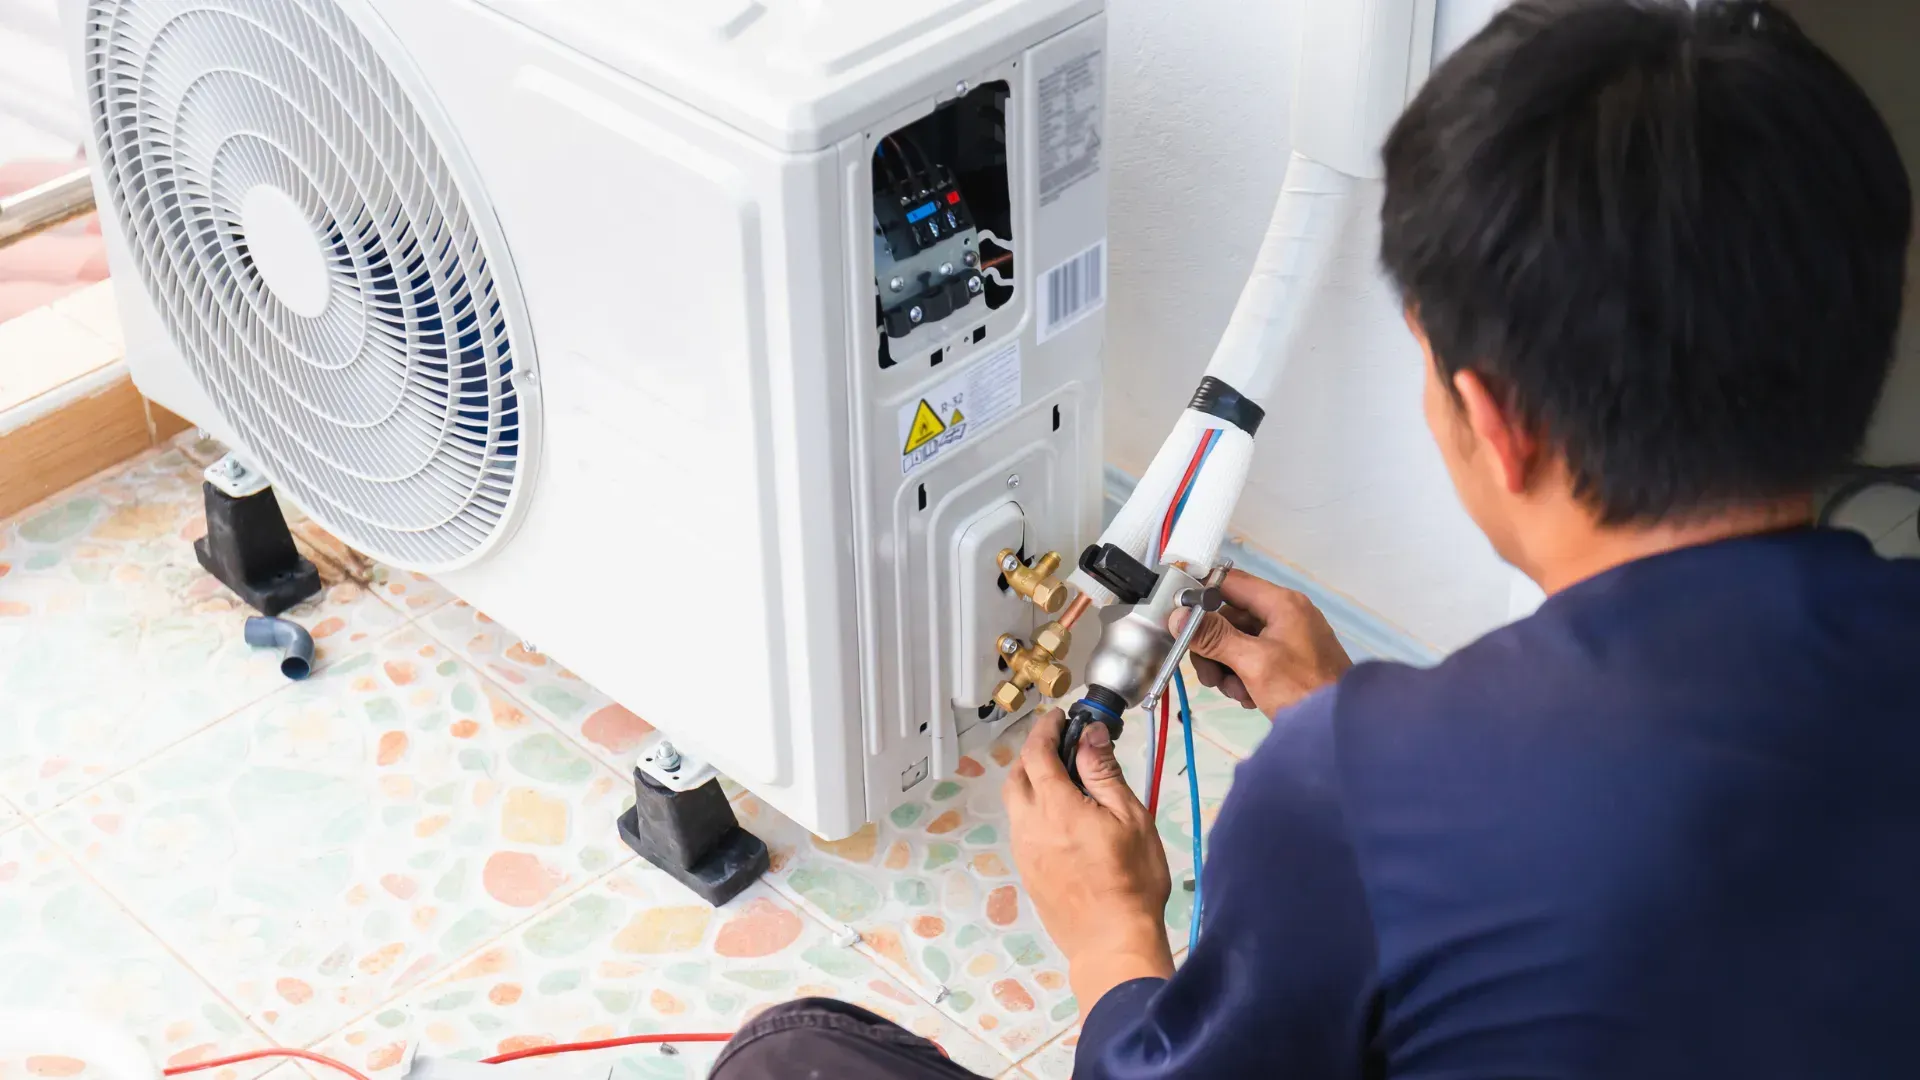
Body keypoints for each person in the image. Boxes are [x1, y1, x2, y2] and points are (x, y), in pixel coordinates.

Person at [710, 0, 1920, 1076]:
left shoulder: (1345, 797)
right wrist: (1365, 732)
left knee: (790, 1061)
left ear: (1495, 425)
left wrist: (1113, 937)